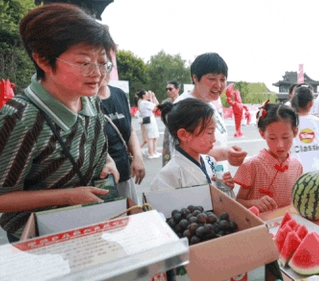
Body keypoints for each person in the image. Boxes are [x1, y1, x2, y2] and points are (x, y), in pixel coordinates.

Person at [0, 3, 119, 241]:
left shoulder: (91, 101)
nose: (98, 73)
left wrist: (108, 162)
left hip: (85, 226)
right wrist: (68, 196)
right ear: (44, 61)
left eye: (102, 62)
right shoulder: (21, 117)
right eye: (84, 63)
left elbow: (94, 145)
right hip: (39, 239)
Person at [176, 52, 247, 167]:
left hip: (217, 177)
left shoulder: (208, 103)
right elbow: (183, 154)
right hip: (197, 181)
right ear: (195, 78)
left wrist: (228, 152)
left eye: (222, 79)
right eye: (212, 79)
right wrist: (225, 153)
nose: (218, 85)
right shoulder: (183, 108)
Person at [150, 98, 234, 191]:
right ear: (184, 135)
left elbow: (220, 197)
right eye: (209, 133)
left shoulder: (211, 161)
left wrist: (225, 187)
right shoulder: (168, 177)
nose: (214, 139)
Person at [234, 101, 303, 212]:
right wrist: (254, 203)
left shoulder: (297, 165)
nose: (280, 145)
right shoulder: (252, 165)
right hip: (259, 225)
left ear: (295, 132)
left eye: (285, 137)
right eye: (272, 138)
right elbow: (238, 201)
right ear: (262, 134)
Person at [98, 72, 145, 203]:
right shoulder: (82, 99)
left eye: (104, 64)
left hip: (125, 174)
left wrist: (138, 156)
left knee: (132, 217)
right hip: (100, 180)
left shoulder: (119, 94)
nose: (99, 72)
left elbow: (130, 130)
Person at [291, 85, 319, 172]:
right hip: (318, 173)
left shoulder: (289, 122)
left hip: (296, 173)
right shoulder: (318, 121)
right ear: (311, 103)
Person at [136, 89, 160, 159]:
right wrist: (153, 97)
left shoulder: (142, 102)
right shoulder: (144, 102)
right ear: (143, 95)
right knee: (151, 137)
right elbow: (156, 106)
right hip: (149, 119)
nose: (148, 95)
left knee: (154, 137)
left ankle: (153, 152)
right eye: (147, 94)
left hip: (148, 119)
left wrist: (152, 97)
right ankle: (151, 153)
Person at [161, 80, 180, 166]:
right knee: (167, 153)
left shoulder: (183, 101)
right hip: (168, 131)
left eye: (170, 89)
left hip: (180, 131)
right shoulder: (165, 103)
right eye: (166, 89)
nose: (168, 91)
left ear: (177, 90)